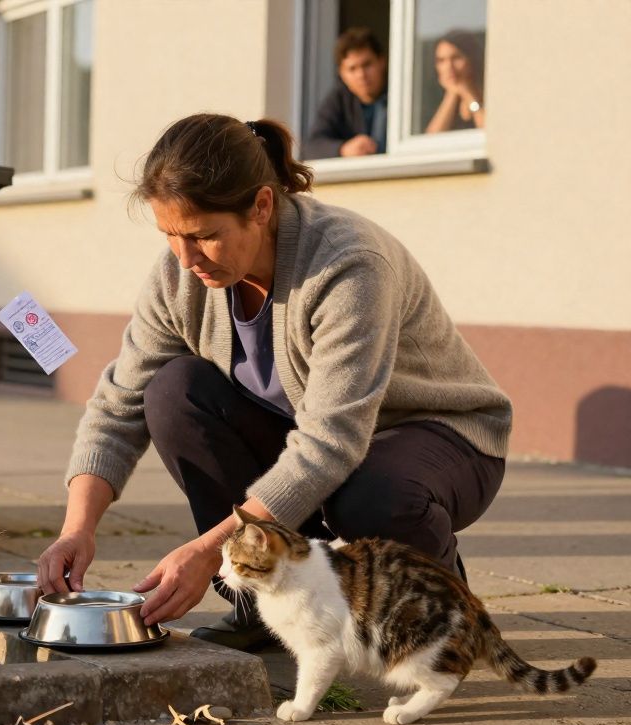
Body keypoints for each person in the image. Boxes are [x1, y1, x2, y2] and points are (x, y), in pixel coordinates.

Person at [36, 114, 512, 651]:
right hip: (321, 442)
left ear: (262, 206)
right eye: (170, 235)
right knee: (173, 391)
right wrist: (77, 530)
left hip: (441, 437)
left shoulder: (348, 265)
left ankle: (446, 615)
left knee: (371, 494)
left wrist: (210, 550)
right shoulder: (180, 277)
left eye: (204, 236)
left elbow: (331, 443)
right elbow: (117, 406)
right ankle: (264, 609)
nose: (186, 259)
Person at [302, 27, 388, 160]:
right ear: (342, 74)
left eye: (367, 65)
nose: (361, 75)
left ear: (382, 62)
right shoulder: (338, 99)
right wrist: (343, 149)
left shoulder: (401, 92)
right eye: (352, 69)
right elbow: (311, 147)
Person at [426, 30, 486, 133]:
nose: (449, 67)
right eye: (441, 61)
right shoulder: (430, 99)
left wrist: (467, 93)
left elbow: (490, 132)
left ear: (471, 59)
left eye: (456, 58)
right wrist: (451, 94)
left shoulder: (487, 92)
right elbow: (430, 140)